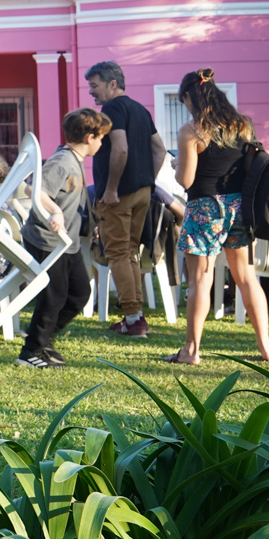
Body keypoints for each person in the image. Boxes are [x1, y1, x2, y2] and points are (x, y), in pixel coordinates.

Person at [161, 70, 269, 365]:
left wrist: (177, 164)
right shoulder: (242, 125)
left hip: (205, 209)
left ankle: (191, 351)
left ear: (190, 97)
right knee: (246, 278)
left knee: (200, 281)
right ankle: (266, 347)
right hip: (238, 207)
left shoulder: (192, 131)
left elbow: (186, 180)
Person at [17, 108, 112, 368]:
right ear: (90, 137)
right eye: (101, 138)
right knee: (54, 296)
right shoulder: (62, 160)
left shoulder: (75, 159)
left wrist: (89, 224)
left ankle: (42, 338)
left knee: (80, 293)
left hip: (67, 243)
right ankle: (30, 352)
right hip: (47, 240)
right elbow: (34, 189)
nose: (102, 143)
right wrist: (56, 212)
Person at [87, 60, 163, 339]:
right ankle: (136, 316)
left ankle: (133, 319)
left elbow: (120, 149)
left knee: (118, 253)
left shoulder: (112, 108)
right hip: (142, 192)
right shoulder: (140, 109)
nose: (91, 91)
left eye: (94, 85)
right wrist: (148, 181)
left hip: (118, 195)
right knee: (129, 252)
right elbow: (160, 150)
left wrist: (111, 189)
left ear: (112, 84)